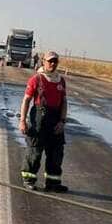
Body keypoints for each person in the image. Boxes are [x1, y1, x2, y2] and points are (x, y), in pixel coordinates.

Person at [18, 50, 68, 192]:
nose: (52, 63)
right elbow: (26, 100)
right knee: (34, 152)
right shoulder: (37, 79)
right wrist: (23, 120)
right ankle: (29, 180)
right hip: (39, 119)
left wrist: (62, 121)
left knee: (56, 153)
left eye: (55, 61)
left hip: (56, 120)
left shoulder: (61, 81)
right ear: (43, 62)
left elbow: (64, 102)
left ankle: (53, 183)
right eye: (50, 61)